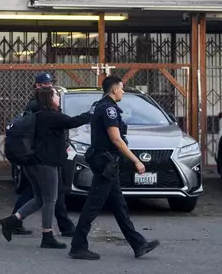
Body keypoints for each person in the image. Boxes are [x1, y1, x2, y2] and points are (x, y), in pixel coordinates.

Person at [69, 75, 160, 260]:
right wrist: (136, 160)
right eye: (121, 88)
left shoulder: (98, 105)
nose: (123, 91)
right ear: (113, 89)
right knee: (93, 206)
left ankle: (138, 243)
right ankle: (78, 246)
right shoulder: (109, 109)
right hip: (106, 164)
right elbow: (116, 139)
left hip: (106, 163)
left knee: (119, 206)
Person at [0, 86, 90, 249]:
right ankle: (47, 235)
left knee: (39, 198)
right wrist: (92, 113)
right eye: (55, 94)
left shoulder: (40, 115)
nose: (58, 97)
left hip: (32, 163)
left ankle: (12, 220)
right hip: (45, 164)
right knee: (50, 199)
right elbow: (73, 122)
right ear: (49, 98)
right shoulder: (51, 117)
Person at [11, 72, 76, 237]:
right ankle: (62, 228)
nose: (50, 87)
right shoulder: (37, 105)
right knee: (51, 195)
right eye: (46, 85)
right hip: (42, 157)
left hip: (46, 156)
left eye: (51, 84)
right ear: (38, 86)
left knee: (38, 194)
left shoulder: (47, 104)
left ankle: (14, 220)